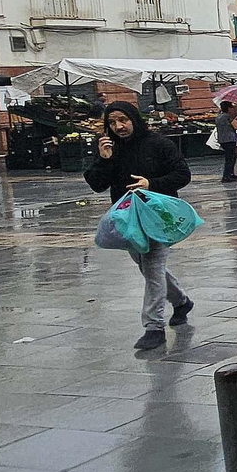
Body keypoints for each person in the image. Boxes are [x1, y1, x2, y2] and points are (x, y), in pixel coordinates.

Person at [84, 102, 195, 351]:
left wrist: (150, 183)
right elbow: (97, 184)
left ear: (134, 119)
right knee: (147, 267)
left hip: (158, 217)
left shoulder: (158, 144)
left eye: (123, 120)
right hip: (128, 220)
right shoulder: (110, 147)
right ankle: (181, 301)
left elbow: (182, 175)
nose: (118, 126)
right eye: (112, 122)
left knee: (153, 267)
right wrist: (104, 160)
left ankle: (153, 327)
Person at [215, 101, 237, 182]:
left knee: (230, 157)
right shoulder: (228, 117)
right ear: (228, 108)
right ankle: (226, 176)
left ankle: (230, 173)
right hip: (229, 139)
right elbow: (236, 127)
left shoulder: (218, 117)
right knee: (230, 158)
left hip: (222, 139)